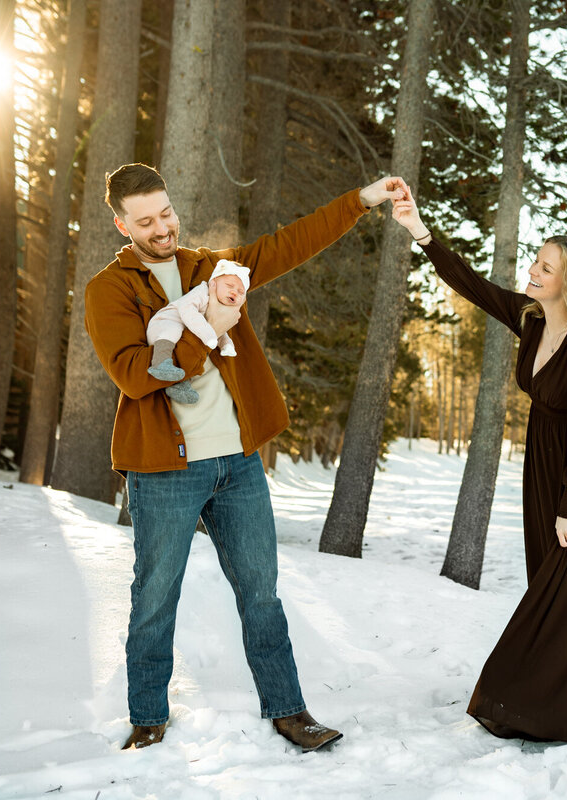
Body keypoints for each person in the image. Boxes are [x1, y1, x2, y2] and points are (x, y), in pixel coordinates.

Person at [85, 162, 407, 752]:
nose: (163, 229)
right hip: (164, 469)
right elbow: (135, 376)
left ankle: (289, 711)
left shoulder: (213, 266)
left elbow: (290, 243)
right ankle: (148, 717)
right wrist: (207, 325)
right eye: (146, 221)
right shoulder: (110, 289)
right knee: (155, 597)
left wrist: (362, 199)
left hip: (236, 462)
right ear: (121, 223)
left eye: (167, 213)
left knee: (262, 593)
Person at [391, 191, 567, 743]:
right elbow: (473, 287)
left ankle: (566, 705)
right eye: (535, 260)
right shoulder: (531, 320)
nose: (533, 269)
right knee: (546, 583)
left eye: (544, 266)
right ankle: (560, 698)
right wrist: (420, 230)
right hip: (540, 465)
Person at [145, 258, 250, 404]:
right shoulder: (202, 292)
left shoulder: (220, 308)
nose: (234, 291)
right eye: (229, 285)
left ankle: (180, 385)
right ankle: (160, 362)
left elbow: (220, 331)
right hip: (165, 323)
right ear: (213, 283)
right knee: (173, 331)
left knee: (191, 355)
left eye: (240, 291)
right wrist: (208, 334)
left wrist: (226, 345)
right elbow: (187, 310)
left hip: (184, 335)